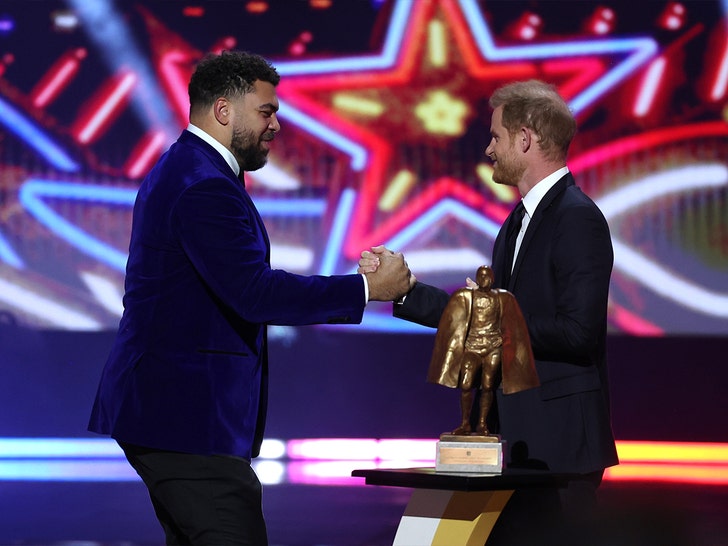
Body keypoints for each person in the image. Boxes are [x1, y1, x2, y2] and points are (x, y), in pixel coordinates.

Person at [88, 50, 411, 545]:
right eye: (267, 111)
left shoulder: (194, 170)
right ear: (223, 110)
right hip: (184, 419)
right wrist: (367, 289)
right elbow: (254, 293)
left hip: (174, 416)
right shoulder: (201, 185)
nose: (277, 124)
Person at [360, 80, 618, 519]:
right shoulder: (517, 221)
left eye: (496, 136)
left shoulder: (577, 219)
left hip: (558, 449)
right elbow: (489, 318)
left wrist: (488, 316)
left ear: (525, 138)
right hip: (515, 442)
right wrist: (406, 292)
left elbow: (577, 333)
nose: (488, 149)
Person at [428, 265, 538, 436]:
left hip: (493, 347)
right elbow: (452, 321)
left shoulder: (502, 298)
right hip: (472, 347)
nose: (483, 279)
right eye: (481, 276)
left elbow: (514, 325)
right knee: (466, 384)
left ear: (492, 279)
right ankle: (465, 423)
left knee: (488, 385)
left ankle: (482, 423)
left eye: (487, 276)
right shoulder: (467, 296)